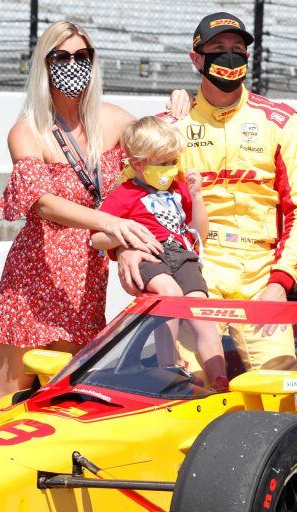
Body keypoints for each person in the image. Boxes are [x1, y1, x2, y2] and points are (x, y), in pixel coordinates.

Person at [0, 21, 191, 400]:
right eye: (61, 57)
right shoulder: (28, 130)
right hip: (35, 275)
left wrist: (179, 106)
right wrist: (111, 222)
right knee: (10, 397)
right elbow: (43, 203)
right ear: (44, 64)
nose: (72, 64)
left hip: (86, 278)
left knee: (65, 396)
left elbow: (158, 148)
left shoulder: (114, 120)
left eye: (82, 56)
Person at [115, 12, 297, 373]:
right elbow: (127, 196)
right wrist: (124, 248)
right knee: (188, 387)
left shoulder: (280, 120)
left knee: (278, 389)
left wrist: (281, 281)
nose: (229, 56)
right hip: (195, 266)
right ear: (196, 58)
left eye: (237, 49)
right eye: (217, 48)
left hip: (262, 271)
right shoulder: (171, 124)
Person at [91, 116, 227, 390]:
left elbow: (198, 230)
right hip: (150, 254)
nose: (171, 169)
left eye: (173, 162)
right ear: (138, 163)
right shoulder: (124, 194)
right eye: (163, 163)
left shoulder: (178, 189)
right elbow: (96, 238)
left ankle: (220, 377)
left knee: (201, 310)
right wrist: (128, 239)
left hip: (182, 253)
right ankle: (168, 366)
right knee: (170, 296)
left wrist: (197, 196)